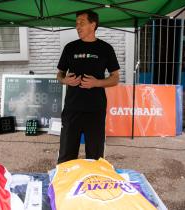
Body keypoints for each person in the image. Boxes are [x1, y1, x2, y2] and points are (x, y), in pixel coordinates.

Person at [56, 10, 120, 164]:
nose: (78, 26)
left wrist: (97, 83)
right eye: (76, 23)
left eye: (82, 23)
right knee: (66, 155)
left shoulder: (105, 48)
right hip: (72, 109)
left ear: (93, 25)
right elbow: (59, 74)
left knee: (95, 156)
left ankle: (93, 184)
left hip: (95, 110)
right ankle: (65, 185)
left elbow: (115, 78)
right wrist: (65, 80)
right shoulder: (70, 48)